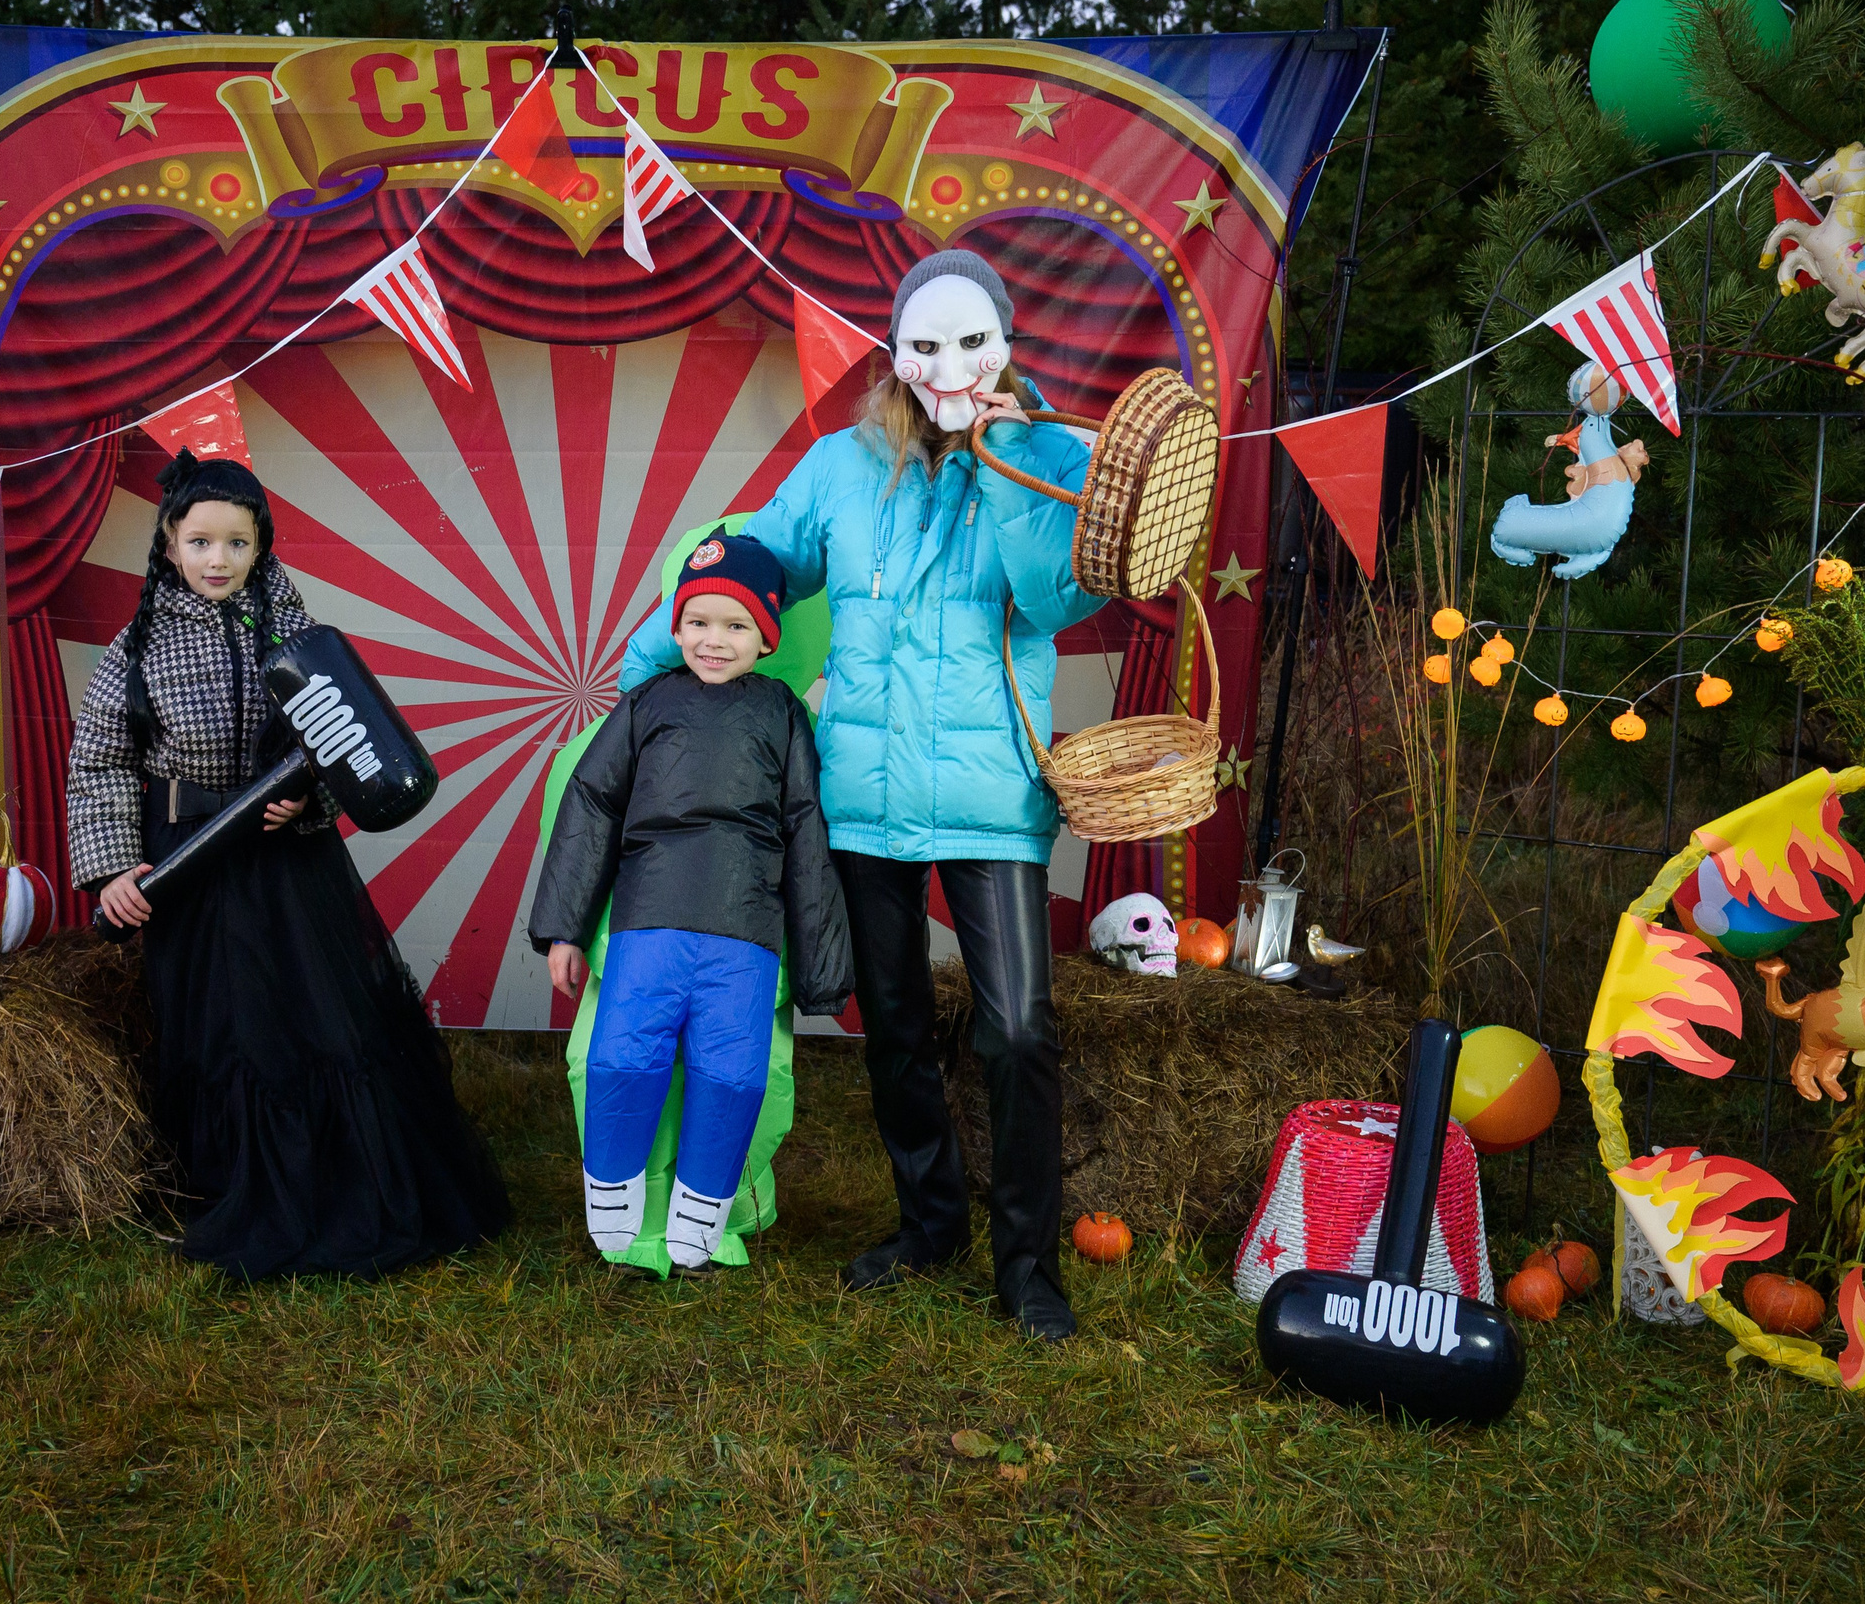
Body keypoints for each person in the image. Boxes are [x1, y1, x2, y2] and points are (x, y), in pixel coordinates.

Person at [620, 250, 1107, 1342]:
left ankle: (1027, 1266)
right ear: (893, 351)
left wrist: (1002, 451)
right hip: (865, 796)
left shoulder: (1047, 457)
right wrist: (648, 653)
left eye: (969, 341)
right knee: (886, 1017)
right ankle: (930, 1220)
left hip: (990, 795)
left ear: (1006, 344)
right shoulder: (840, 467)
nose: (946, 366)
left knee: (1018, 1027)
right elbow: (756, 563)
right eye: (924, 345)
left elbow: (1055, 593)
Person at [68, 452, 511, 1280]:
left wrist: (309, 803)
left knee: (308, 1016)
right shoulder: (138, 650)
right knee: (223, 1024)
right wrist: (112, 870)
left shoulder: (289, 628)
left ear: (260, 546)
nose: (218, 560)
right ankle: (236, 1181)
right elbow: (97, 763)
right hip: (190, 868)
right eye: (200, 541)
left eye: (238, 543)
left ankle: (339, 1182)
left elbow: (343, 740)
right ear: (168, 542)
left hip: (289, 869)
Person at [528, 533, 852, 1268]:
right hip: (650, 921)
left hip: (745, 930)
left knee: (733, 1073)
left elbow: (806, 834)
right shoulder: (647, 705)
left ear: (766, 638)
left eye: (737, 626)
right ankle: (613, 1197)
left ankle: (701, 1214)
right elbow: (591, 804)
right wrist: (565, 929)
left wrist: (823, 968)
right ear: (674, 628)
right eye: (699, 622)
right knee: (621, 1057)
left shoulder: (782, 715)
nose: (715, 640)